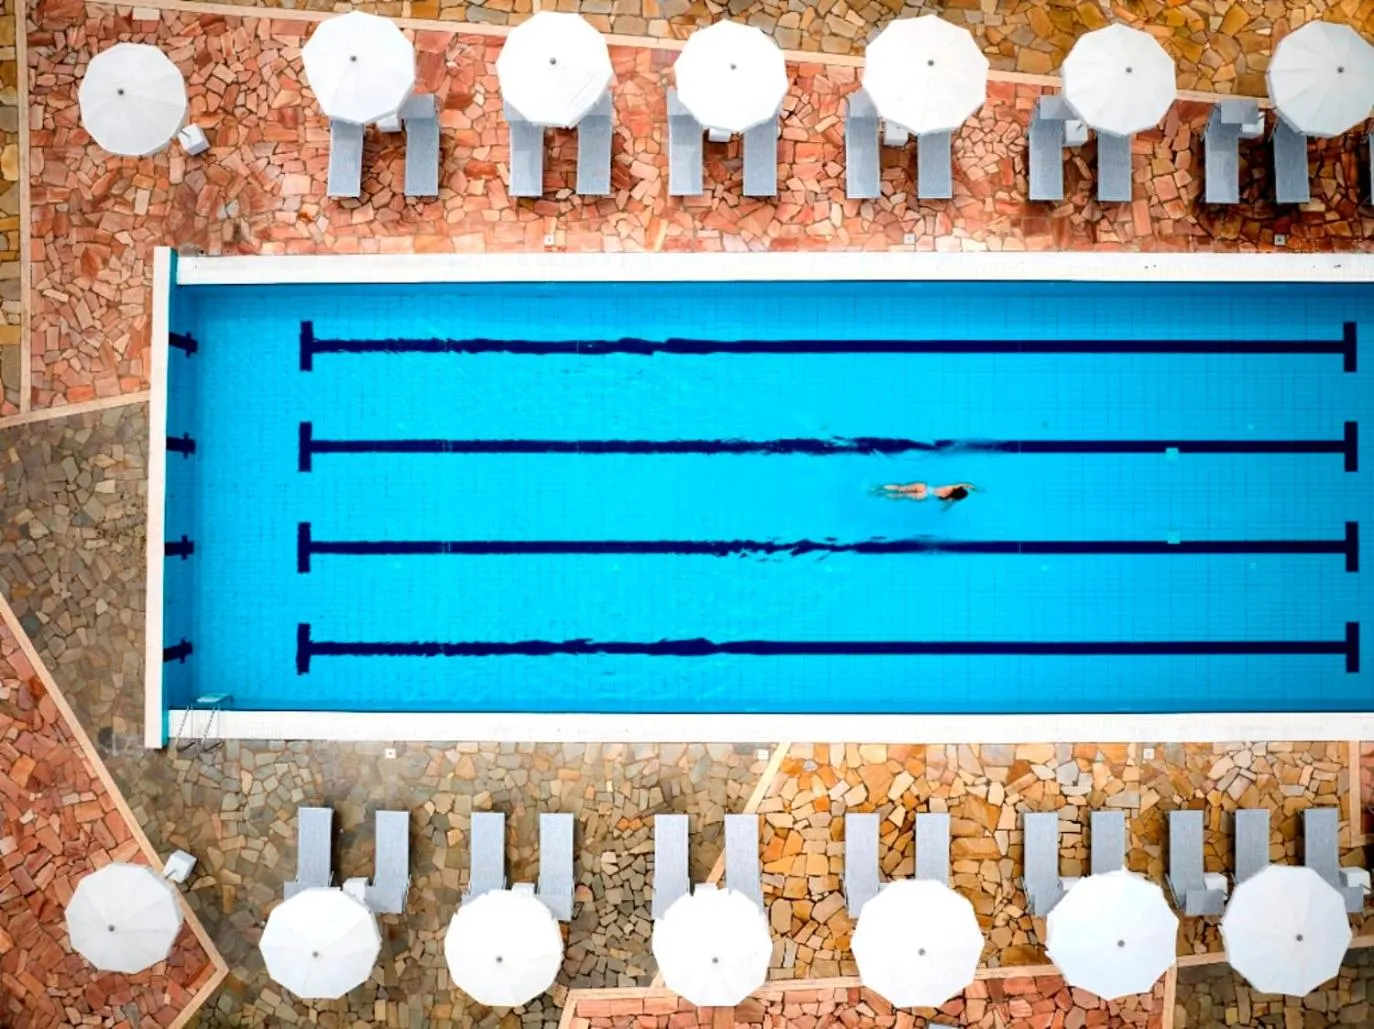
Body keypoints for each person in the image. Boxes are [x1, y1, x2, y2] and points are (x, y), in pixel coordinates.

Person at [877, 481, 980, 505]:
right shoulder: (950, 498)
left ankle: (880, 488)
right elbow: (945, 506)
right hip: (924, 495)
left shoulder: (953, 487)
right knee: (901, 496)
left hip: (924, 487)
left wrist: (975, 488)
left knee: (899, 488)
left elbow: (966, 484)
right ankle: (882, 494)